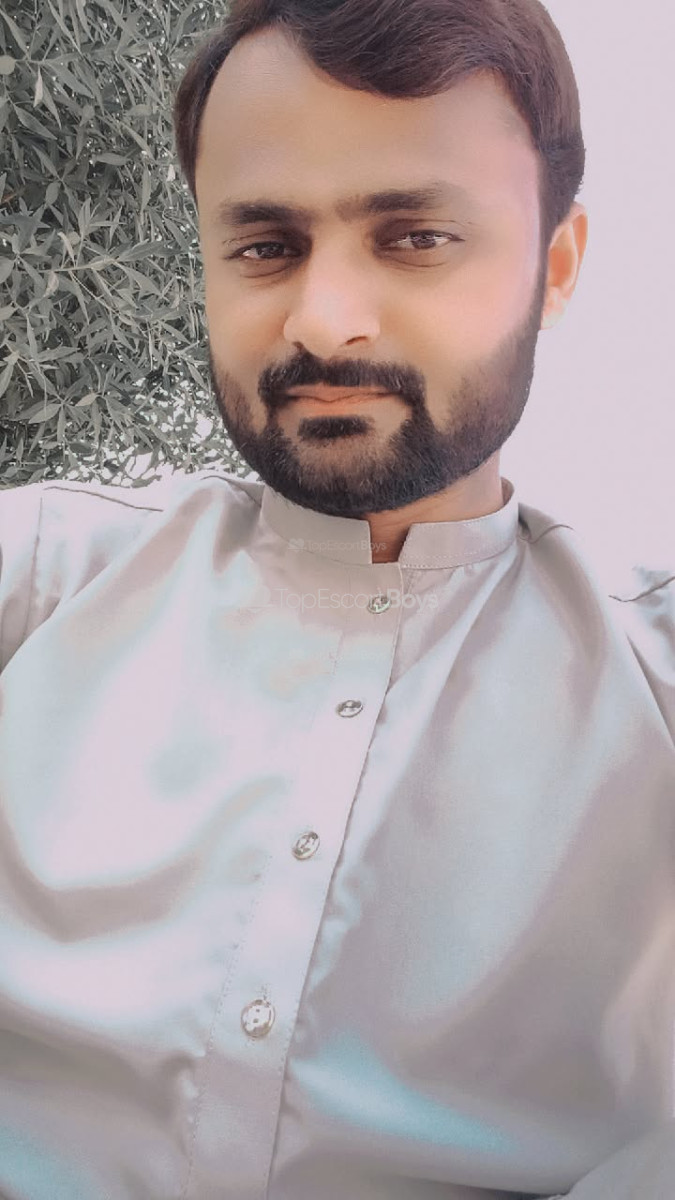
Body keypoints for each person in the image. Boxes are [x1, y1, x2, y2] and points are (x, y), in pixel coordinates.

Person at [0, 1, 673, 1197]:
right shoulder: (42, 579)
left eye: (416, 237)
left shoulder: (652, 686)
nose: (322, 322)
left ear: (555, 267)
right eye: (266, 247)